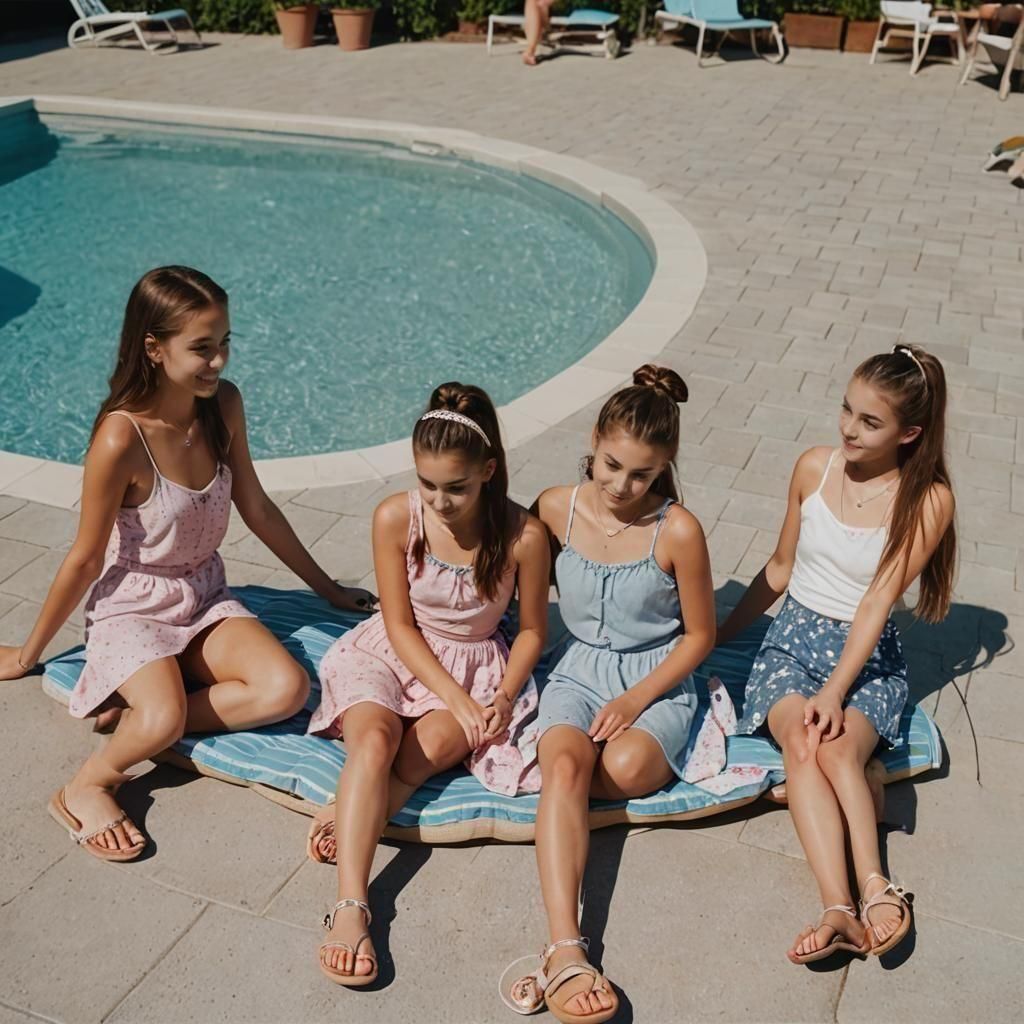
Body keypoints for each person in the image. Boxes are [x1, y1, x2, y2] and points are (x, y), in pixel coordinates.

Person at [0, 266, 373, 862]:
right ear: (154, 347)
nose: (219, 360)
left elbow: (257, 507)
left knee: (286, 687)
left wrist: (328, 589)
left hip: (203, 594)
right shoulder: (121, 439)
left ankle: (145, 716)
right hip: (132, 608)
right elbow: (84, 558)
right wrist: (26, 654)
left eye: (225, 342)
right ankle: (88, 784)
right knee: (167, 712)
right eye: (202, 347)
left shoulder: (222, 406)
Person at [718, 344, 956, 963]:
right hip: (792, 641)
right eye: (847, 410)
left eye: (870, 422)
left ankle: (876, 884)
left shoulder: (926, 500)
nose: (849, 428)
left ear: (910, 433)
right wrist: (720, 634)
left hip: (867, 651)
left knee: (837, 747)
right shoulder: (812, 468)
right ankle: (837, 907)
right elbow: (779, 567)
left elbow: (877, 603)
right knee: (802, 742)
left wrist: (835, 689)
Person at [306, 383, 550, 987]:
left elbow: (531, 633)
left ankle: (352, 807)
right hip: (393, 653)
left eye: (457, 487)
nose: (440, 500)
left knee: (436, 748)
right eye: (428, 483)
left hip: (476, 665)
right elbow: (397, 622)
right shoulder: (396, 516)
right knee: (375, 743)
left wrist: (500, 695)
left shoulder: (524, 536)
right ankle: (352, 906)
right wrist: (456, 697)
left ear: (488, 471)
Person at [506, 365, 715, 1023]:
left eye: (642, 475)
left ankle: (560, 816)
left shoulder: (678, 530)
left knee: (622, 768)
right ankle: (566, 949)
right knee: (564, 765)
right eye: (611, 464)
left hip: (656, 678)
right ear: (593, 440)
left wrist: (635, 702)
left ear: (665, 469)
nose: (622, 485)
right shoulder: (553, 507)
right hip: (577, 670)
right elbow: (519, 602)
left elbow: (699, 637)